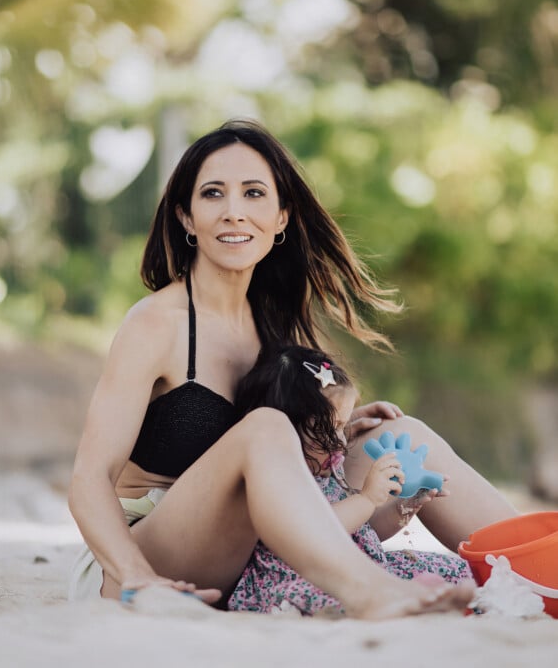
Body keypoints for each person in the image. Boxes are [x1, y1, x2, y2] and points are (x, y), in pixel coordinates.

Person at [68, 118, 513, 618]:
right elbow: (89, 478)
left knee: (403, 434)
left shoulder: (273, 321)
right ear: (187, 218)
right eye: (213, 194)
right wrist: (137, 577)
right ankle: (371, 592)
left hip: (255, 553)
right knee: (264, 428)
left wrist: (328, 429)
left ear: (281, 217)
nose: (234, 213)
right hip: (149, 555)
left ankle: (535, 570)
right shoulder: (156, 324)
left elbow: (281, 451)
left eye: (254, 194)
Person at [228, 344, 472, 615]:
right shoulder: (277, 484)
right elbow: (318, 529)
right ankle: (411, 602)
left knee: (458, 570)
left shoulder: (331, 472)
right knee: (327, 597)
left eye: (343, 427)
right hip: (303, 578)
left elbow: (365, 533)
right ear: (288, 431)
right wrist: (367, 498)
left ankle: (443, 596)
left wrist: (404, 506)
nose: (342, 441)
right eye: (329, 430)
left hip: (364, 567)